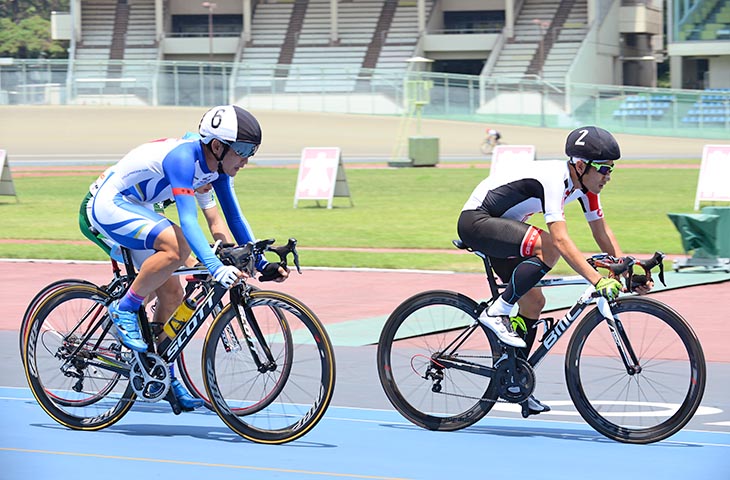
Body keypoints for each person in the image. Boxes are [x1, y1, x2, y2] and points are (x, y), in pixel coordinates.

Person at [83, 105, 289, 409]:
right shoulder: (183, 158)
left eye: (253, 151)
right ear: (217, 146)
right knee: (178, 245)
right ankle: (124, 308)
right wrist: (215, 267)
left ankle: (159, 371)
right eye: (243, 150)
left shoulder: (217, 169)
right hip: (109, 203)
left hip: (138, 208)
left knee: (173, 294)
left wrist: (260, 262)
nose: (246, 160)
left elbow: (233, 218)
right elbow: (190, 222)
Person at [457, 125, 652, 415]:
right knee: (548, 246)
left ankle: (515, 384)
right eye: (604, 169)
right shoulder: (555, 179)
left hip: (504, 230)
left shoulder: (586, 188)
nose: (608, 176)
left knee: (535, 302)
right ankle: (497, 310)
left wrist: (625, 269)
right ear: (582, 165)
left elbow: (601, 231)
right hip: (478, 222)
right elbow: (559, 238)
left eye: (612, 170)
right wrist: (597, 279)